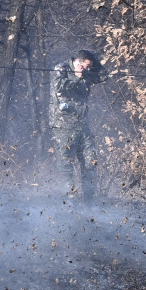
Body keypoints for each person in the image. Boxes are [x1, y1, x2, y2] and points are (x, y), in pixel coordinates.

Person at [49, 49, 107, 200]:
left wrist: (93, 62)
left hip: (83, 124)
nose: (88, 70)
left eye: (89, 67)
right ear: (77, 62)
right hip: (64, 125)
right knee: (66, 162)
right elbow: (58, 88)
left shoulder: (87, 72)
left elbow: (103, 76)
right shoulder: (61, 68)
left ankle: (89, 200)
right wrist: (76, 76)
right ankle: (69, 199)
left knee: (90, 161)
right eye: (86, 66)